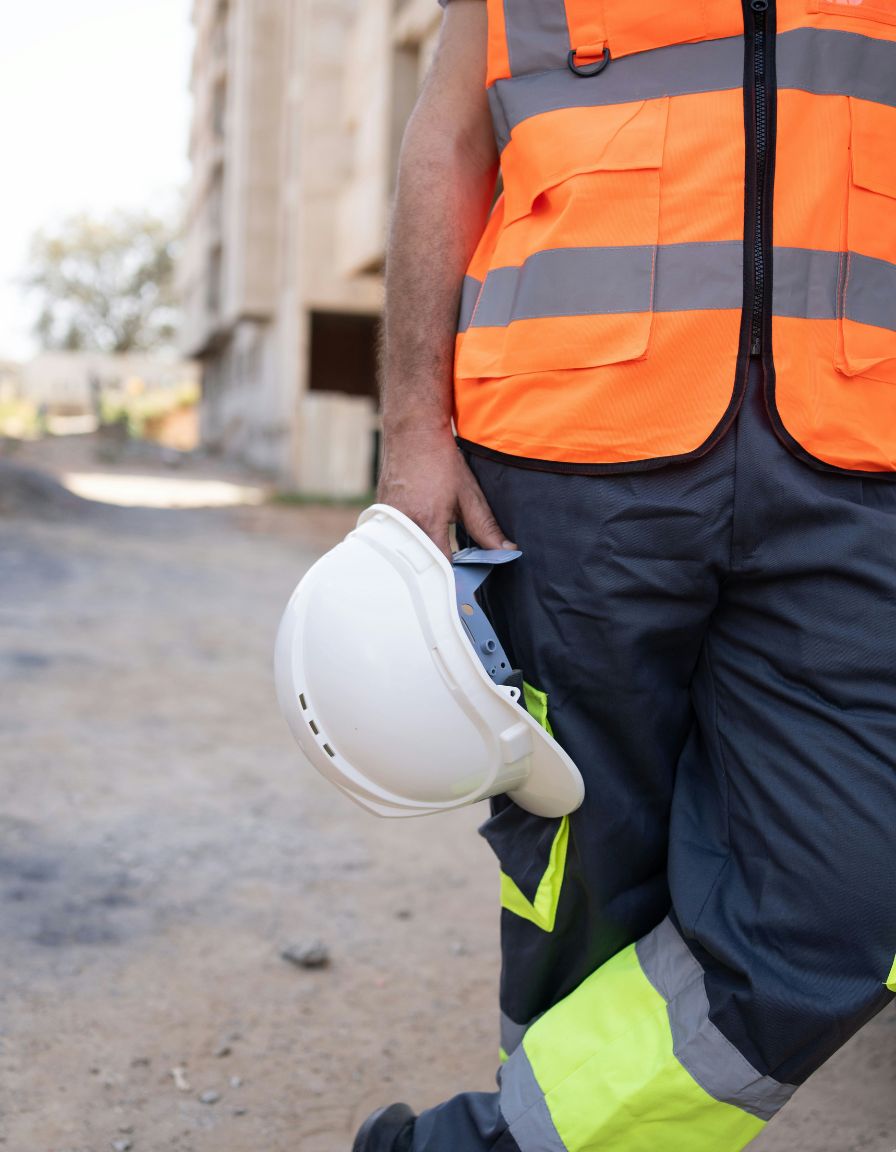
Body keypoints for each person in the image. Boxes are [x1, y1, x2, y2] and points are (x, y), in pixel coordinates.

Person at [358, 1, 896, 1148]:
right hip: (560, 448)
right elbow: (449, 140)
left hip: (862, 458)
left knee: (852, 892)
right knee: (583, 874)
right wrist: (412, 427)